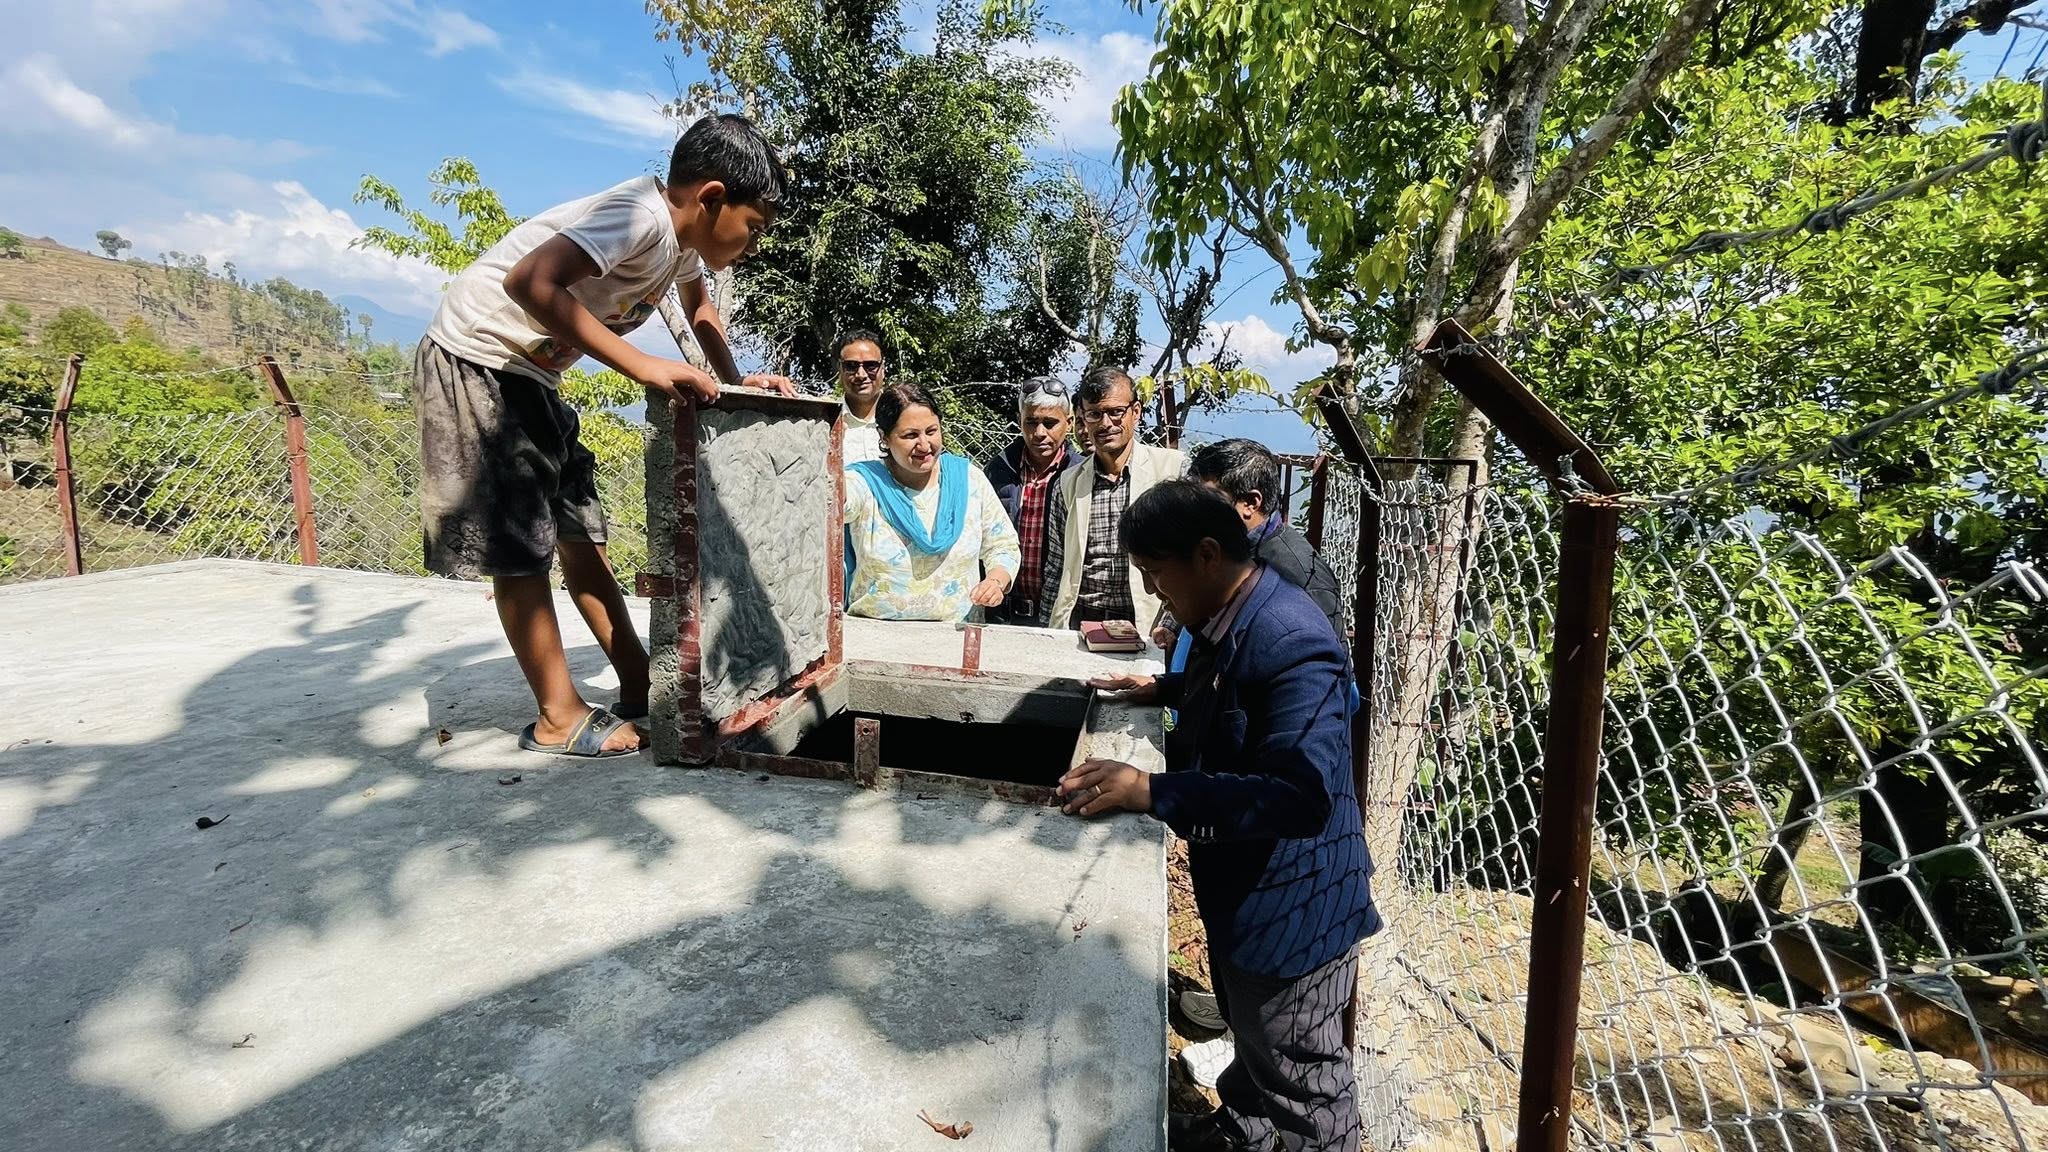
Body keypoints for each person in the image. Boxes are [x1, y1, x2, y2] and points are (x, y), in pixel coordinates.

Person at [413, 113, 793, 758]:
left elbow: (700, 309)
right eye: (753, 227)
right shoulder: (639, 217)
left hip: (532, 375)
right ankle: (557, 715)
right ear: (711, 198)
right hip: (478, 359)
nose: (754, 244)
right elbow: (529, 281)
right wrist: (642, 364)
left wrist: (734, 381)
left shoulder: (684, 243)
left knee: (580, 531)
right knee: (520, 546)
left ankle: (639, 677)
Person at [1060, 480, 1380, 1152]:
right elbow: (1233, 694)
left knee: (1304, 1080)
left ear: (1207, 554)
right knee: (1253, 1037)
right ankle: (1242, 1133)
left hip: (1293, 909)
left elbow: (1297, 796)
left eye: (1155, 572)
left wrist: (1151, 790)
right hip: (1245, 890)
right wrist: (1163, 687)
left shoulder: (1293, 639)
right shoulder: (1231, 609)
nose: (1152, 591)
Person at [843, 383, 1020, 621]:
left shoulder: (969, 480)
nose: (925, 445)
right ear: (884, 438)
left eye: (931, 431)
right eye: (910, 435)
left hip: (957, 634)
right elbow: (835, 501)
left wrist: (995, 582)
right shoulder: (863, 483)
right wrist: (826, 451)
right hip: (876, 634)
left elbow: (1003, 546)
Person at [1039, 366, 1183, 632]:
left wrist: (1171, 625)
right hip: (1081, 622)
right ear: (1082, 418)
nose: (1106, 424)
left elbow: (1189, 560)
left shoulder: (1173, 471)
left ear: (1135, 412)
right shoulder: (1068, 483)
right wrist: (1047, 633)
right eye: (1094, 414)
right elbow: (1056, 566)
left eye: (1116, 412)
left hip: (1148, 622)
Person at [983, 377, 1081, 623]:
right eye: (1031, 422)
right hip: (1002, 613)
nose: (1039, 433)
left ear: (1068, 423)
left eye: (1050, 423)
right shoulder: (998, 470)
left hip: (1060, 613)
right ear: (1020, 421)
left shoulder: (1080, 475)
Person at [834, 328, 888, 465]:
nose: (861, 375)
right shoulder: (826, 423)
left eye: (871, 366)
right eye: (851, 366)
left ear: (883, 368)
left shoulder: (902, 418)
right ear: (840, 369)